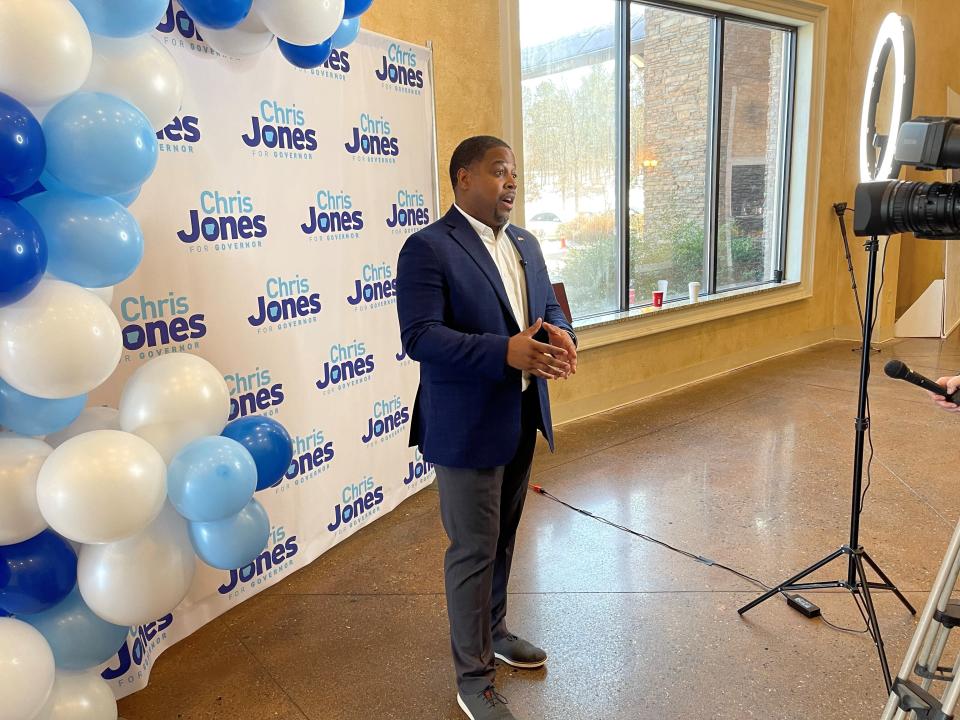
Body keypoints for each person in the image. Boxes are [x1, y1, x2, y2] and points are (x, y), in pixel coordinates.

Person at [396, 135, 577, 720]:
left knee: (503, 538)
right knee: (472, 549)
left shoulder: (524, 241)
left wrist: (559, 332)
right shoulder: (427, 248)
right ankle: (472, 680)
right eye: (499, 171)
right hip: (466, 426)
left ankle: (494, 632)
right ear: (463, 179)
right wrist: (505, 352)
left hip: (523, 414)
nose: (511, 183)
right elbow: (420, 336)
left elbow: (546, 308)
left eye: (515, 173)